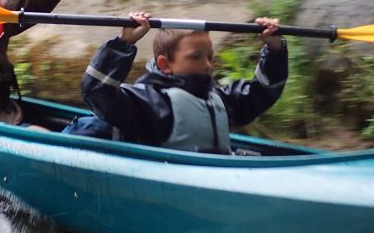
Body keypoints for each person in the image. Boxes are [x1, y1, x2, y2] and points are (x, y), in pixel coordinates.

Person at [67, 12, 287, 153]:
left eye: (210, 57)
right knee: (95, 125)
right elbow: (96, 91)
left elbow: (262, 92)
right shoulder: (150, 103)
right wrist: (124, 44)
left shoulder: (219, 99)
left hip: (211, 177)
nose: (208, 65)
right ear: (164, 64)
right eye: (196, 57)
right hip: (98, 138)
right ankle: (42, 134)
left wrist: (275, 49)